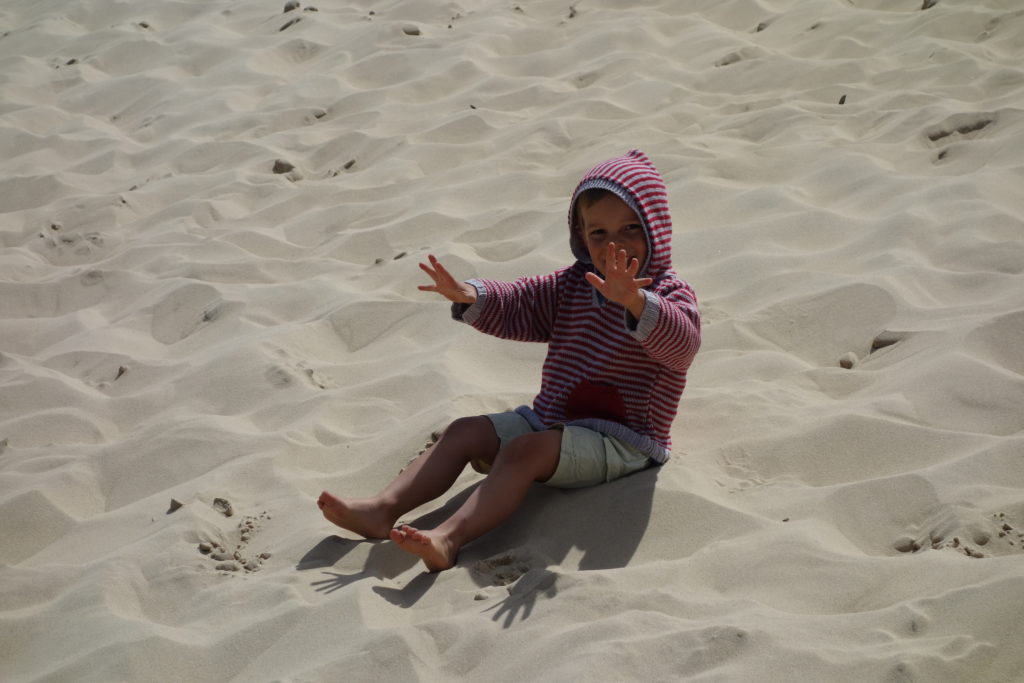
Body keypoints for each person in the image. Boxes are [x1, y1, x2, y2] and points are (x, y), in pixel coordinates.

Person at [317, 149, 701, 572]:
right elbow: (522, 301)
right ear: (580, 235)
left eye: (630, 228)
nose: (614, 244)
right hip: (554, 421)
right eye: (598, 233)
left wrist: (635, 301)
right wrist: (472, 295)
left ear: (655, 227)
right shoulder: (574, 283)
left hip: (623, 440)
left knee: (524, 451)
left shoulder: (668, 292)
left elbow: (682, 348)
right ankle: (382, 508)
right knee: (464, 431)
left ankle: (448, 538)